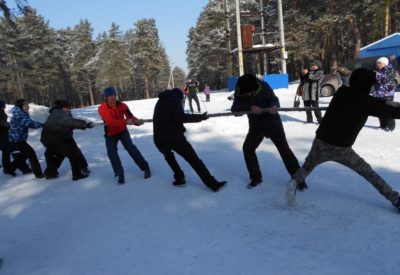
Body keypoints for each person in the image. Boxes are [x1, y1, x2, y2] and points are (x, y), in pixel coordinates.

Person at [286, 68, 400, 212]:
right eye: (372, 84)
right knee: (368, 173)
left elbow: (367, 100)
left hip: (320, 142)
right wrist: (390, 105)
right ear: (366, 85)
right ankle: (395, 199)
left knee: (307, 167)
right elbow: (388, 111)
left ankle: (294, 182)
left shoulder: (342, 92)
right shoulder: (365, 102)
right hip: (342, 149)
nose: (373, 87)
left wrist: (385, 102)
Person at [231, 74, 308, 190]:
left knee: (284, 150)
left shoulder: (263, 86)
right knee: (248, 148)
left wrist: (274, 106)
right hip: (256, 127)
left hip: (273, 124)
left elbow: (274, 99)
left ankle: (299, 180)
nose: (249, 95)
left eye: (251, 93)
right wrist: (249, 107)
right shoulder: (240, 91)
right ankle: (256, 178)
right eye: (247, 94)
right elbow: (235, 110)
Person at [153, 88, 226, 192]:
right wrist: (200, 117)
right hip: (174, 138)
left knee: (169, 156)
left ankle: (180, 178)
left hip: (159, 138)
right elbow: (181, 117)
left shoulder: (161, 100)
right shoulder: (174, 100)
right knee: (194, 160)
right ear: (179, 97)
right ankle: (212, 183)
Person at [98, 87, 151, 184]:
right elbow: (110, 122)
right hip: (110, 133)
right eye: (110, 96)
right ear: (106, 97)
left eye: (114, 95)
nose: (113, 97)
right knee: (111, 153)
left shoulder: (122, 105)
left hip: (122, 131)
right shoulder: (102, 108)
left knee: (131, 148)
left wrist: (137, 122)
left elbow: (130, 117)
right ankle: (119, 173)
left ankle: (145, 168)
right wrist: (126, 122)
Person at [41, 100, 93, 181]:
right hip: (54, 140)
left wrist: (84, 125)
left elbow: (70, 123)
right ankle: (77, 174)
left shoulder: (58, 113)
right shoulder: (59, 114)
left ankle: (50, 172)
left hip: (53, 139)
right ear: (61, 108)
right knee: (73, 153)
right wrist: (83, 124)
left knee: (60, 154)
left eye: (69, 108)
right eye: (66, 108)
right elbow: (69, 121)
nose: (68, 109)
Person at [9, 99, 44, 178]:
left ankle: (9, 168)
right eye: (25, 105)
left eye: (27, 105)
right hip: (17, 139)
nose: (27, 107)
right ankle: (38, 174)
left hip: (18, 138)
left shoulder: (21, 112)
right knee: (31, 154)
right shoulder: (19, 114)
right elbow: (29, 123)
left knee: (25, 155)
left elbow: (29, 121)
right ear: (20, 106)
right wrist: (43, 125)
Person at [371, 56, 397, 131]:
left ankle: (391, 127)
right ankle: (383, 126)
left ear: (385, 63)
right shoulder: (377, 71)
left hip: (387, 95)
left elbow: (384, 80)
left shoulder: (390, 70)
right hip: (377, 94)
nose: (378, 64)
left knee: (388, 111)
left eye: (380, 63)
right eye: (377, 63)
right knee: (379, 112)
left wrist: (376, 75)